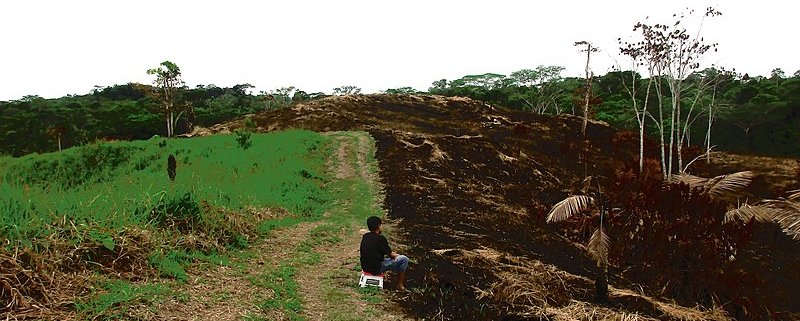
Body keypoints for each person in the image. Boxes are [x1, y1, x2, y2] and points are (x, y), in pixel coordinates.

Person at [359, 216, 410, 291]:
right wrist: (397, 255)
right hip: (376, 268)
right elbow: (391, 255)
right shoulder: (380, 238)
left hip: (365, 266)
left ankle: (385, 277)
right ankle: (400, 285)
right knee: (404, 259)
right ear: (379, 226)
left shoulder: (365, 236)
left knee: (381, 259)